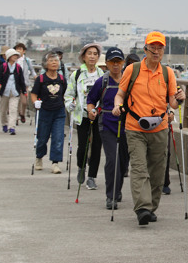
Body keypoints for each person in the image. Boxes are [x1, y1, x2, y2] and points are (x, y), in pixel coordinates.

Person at [112, 31, 184, 226]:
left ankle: (151, 207)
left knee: (158, 171)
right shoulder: (132, 70)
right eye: (152, 47)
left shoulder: (168, 73)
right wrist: (117, 106)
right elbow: (120, 94)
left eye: (159, 47)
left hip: (160, 126)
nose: (156, 51)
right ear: (145, 49)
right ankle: (142, 208)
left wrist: (179, 100)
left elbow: (173, 104)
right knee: (139, 168)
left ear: (164, 51)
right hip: (135, 127)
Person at [86, 47, 129, 210]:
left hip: (127, 126)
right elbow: (91, 100)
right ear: (107, 64)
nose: (116, 65)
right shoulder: (102, 81)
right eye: (112, 62)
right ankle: (110, 196)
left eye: (119, 61)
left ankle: (117, 190)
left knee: (124, 163)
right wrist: (91, 111)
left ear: (123, 63)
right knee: (112, 160)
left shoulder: (129, 81)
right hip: (107, 125)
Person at [64, 42, 103, 190]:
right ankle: (81, 167)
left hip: (99, 115)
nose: (92, 57)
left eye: (95, 54)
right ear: (84, 56)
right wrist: (70, 105)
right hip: (82, 115)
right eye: (90, 54)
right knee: (83, 146)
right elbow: (68, 95)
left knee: (97, 146)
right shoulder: (77, 74)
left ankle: (92, 177)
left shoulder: (102, 75)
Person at [31, 51, 67, 173]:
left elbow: (66, 94)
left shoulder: (62, 79)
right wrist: (36, 102)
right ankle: (39, 157)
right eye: (51, 60)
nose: (54, 63)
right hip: (44, 112)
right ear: (45, 64)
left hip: (59, 112)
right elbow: (34, 94)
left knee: (58, 138)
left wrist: (70, 102)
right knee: (42, 138)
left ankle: (55, 163)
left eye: (56, 60)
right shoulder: (41, 79)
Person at [0, 48, 26, 135]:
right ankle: (4, 124)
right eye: (14, 55)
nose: (16, 57)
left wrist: (24, 91)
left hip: (15, 92)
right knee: (3, 110)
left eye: (16, 55)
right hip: (5, 91)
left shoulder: (18, 68)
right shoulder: (3, 66)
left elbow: (21, 80)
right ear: (9, 57)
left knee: (13, 110)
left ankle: (12, 127)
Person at [15, 42, 37, 124]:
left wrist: (35, 76)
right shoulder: (14, 60)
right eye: (17, 49)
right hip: (15, 84)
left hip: (25, 84)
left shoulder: (27, 60)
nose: (18, 50)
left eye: (20, 49)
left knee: (24, 102)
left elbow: (32, 70)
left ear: (24, 51)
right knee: (16, 101)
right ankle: (16, 117)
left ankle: (22, 114)